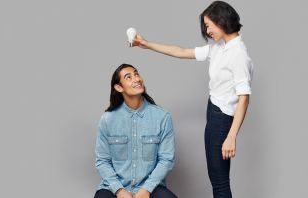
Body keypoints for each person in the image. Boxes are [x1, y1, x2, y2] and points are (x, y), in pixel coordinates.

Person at [132, 1, 254, 198]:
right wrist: (147, 44)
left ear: (221, 20)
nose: (206, 31)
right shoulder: (220, 47)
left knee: (220, 182)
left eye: (208, 25)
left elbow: (244, 98)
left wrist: (231, 136)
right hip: (214, 114)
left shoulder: (238, 54)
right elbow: (182, 52)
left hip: (222, 120)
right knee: (217, 179)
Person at [94, 63, 177, 198]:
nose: (137, 79)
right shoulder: (107, 120)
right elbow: (102, 161)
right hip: (114, 187)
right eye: (129, 77)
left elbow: (166, 160)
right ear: (119, 87)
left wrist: (146, 190)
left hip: (151, 187)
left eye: (136, 74)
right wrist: (119, 191)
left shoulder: (162, 117)